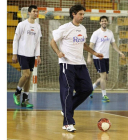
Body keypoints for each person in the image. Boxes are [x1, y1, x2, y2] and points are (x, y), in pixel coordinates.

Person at [50, 4, 103, 132]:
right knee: (67, 91)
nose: (82, 16)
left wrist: (94, 53)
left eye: (83, 14)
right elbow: (53, 41)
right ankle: (68, 123)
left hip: (80, 64)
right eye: (80, 14)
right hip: (67, 64)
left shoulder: (83, 29)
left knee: (87, 89)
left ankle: (66, 110)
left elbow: (83, 44)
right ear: (73, 14)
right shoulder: (65, 28)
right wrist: (58, 53)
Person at [87, 16, 125, 102]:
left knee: (105, 77)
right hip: (98, 57)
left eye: (105, 21)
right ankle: (104, 96)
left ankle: (91, 89)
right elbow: (91, 45)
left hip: (106, 57)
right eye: (102, 21)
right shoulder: (96, 33)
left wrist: (120, 52)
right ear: (100, 23)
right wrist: (89, 57)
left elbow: (113, 44)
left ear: (107, 22)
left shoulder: (110, 33)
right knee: (103, 77)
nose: (104, 22)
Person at [12, 5, 42, 108]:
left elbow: (38, 42)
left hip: (31, 55)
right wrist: (14, 54)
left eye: (37, 11)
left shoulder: (38, 26)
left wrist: (38, 55)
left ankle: (25, 100)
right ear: (29, 13)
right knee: (26, 75)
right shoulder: (22, 24)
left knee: (28, 77)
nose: (36, 13)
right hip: (22, 53)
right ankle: (16, 92)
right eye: (34, 11)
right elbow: (15, 39)